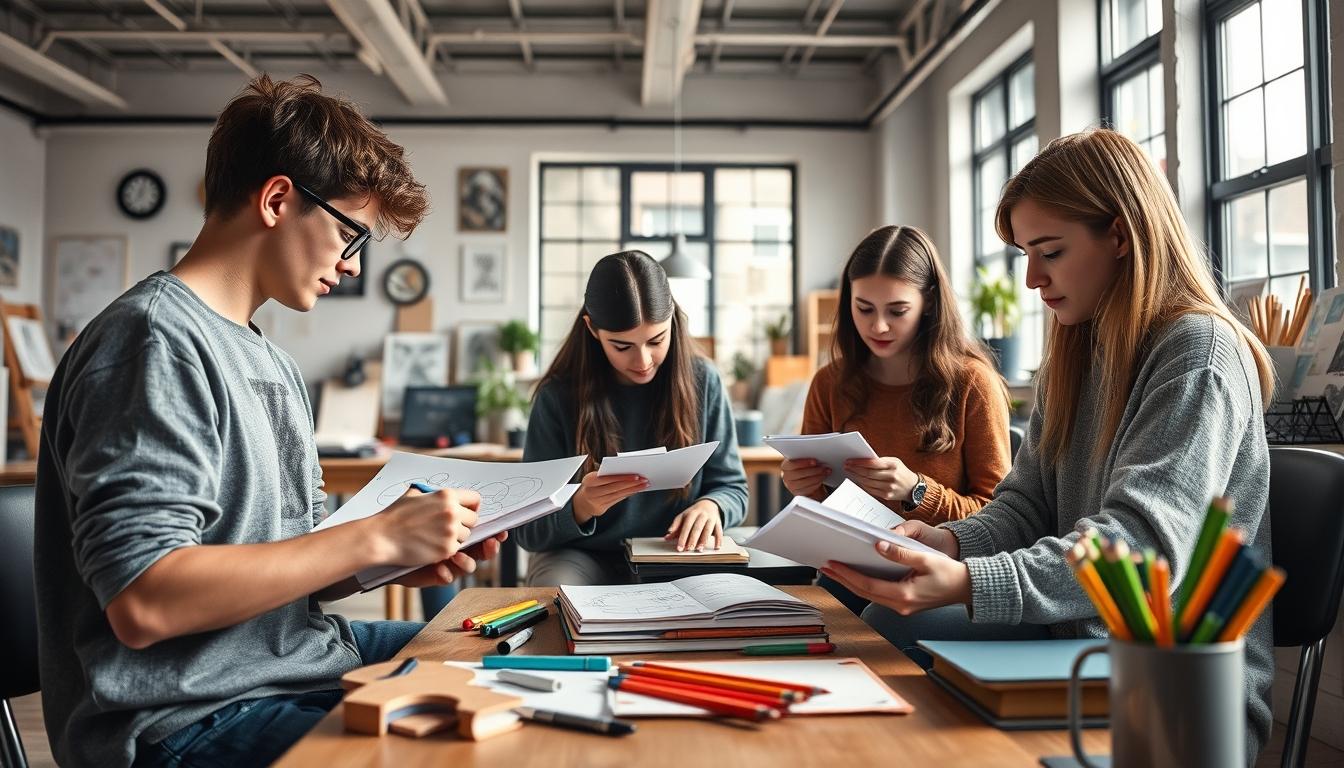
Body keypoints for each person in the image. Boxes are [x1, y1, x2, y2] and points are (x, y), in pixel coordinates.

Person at [33, 74, 506, 768]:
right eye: (349, 235)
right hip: (184, 715)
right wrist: (371, 536)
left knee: (503, 656)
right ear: (279, 199)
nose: (349, 267)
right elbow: (145, 602)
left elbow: (289, 566)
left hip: (281, 664)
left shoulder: (271, 361)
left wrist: (385, 557)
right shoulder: (153, 341)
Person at [820, 129, 1274, 763]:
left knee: (905, 663)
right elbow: (1027, 500)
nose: (1032, 278)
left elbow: (1139, 549)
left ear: (1120, 236)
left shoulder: (1196, 354)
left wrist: (972, 581)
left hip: (1173, 679)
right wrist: (949, 543)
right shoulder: (1076, 350)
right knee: (889, 630)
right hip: (1072, 636)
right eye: (1026, 255)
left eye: (1050, 252)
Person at [784, 226, 1011, 612]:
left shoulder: (973, 383)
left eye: (897, 310)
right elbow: (819, 513)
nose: (879, 326)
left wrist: (916, 491)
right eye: (864, 308)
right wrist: (801, 486)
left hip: (935, 585)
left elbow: (1001, 519)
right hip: (845, 575)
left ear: (929, 304)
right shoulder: (830, 383)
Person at [515, 250, 748, 585]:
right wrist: (580, 506)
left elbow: (733, 487)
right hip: (582, 555)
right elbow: (527, 529)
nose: (643, 361)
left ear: (673, 320)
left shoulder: (704, 380)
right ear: (592, 330)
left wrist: (712, 506)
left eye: (656, 340)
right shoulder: (557, 396)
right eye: (622, 346)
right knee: (558, 595)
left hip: (675, 553)